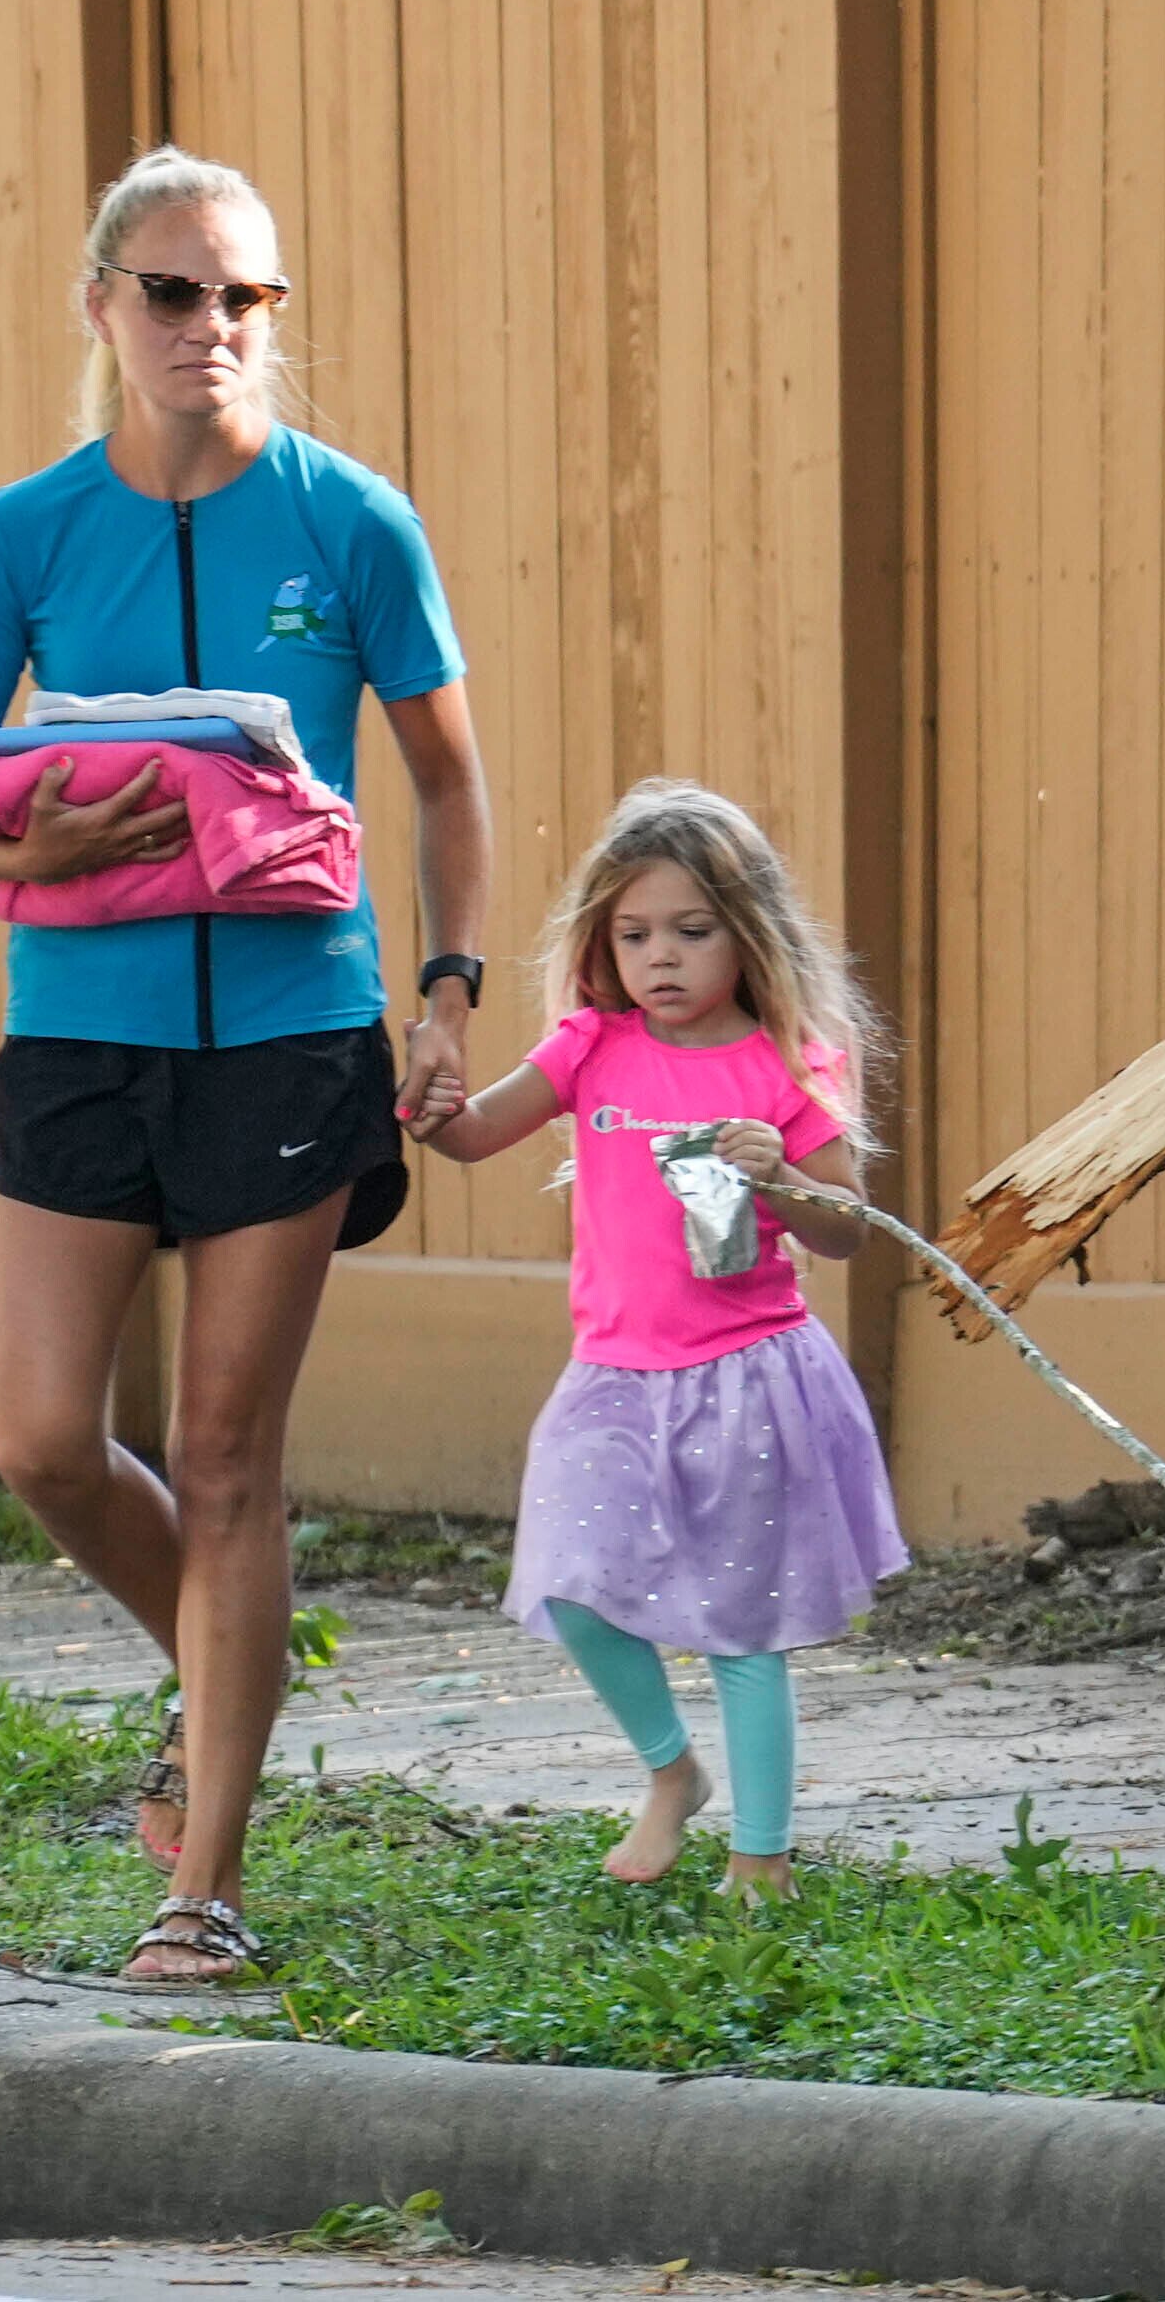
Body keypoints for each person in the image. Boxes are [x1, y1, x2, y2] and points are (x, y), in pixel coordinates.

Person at [0, 145, 493, 1985]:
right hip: (80, 1030)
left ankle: (203, 1883)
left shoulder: (350, 521)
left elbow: (449, 781)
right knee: (47, 1437)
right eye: (172, 290)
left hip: (295, 1039)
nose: (210, 326)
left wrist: (451, 988)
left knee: (229, 1454)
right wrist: (28, 854)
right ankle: (226, 1656)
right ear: (103, 308)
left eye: (244, 296)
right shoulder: (26, 531)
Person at [421, 779, 907, 1900]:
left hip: (749, 1378)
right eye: (635, 934)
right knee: (573, 1587)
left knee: (743, 1625)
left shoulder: (790, 1060)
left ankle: (763, 1855)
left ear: (753, 933)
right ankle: (669, 1770)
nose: (663, 958)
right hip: (612, 1375)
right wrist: (425, 1088)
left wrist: (779, 1175)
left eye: (693, 931)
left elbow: (845, 1232)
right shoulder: (593, 1042)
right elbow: (473, 1133)